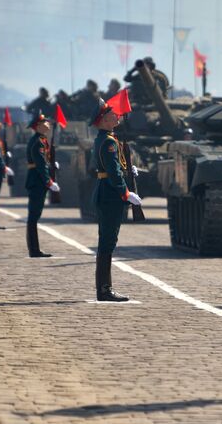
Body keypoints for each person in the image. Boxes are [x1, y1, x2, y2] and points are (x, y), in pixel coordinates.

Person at [90, 99, 142, 302]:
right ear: (103, 120)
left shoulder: (106, 139)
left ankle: (104, 289)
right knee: (107, 243)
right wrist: (125, 192)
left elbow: (115, 167)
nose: (117, 115)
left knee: (106, 242)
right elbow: (112, 172)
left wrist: (128, 170)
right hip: (111, 195)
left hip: (106, 194)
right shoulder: (109, 142)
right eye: (112, 114)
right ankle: (104, 290)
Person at [25, 113, 60, 258]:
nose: (48, 124)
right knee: (33, 217)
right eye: (45, 122)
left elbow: (43, 162)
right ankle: (34, 250)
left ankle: (34, 249)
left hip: (38, 181)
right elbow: (40, 165)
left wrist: (52, 164)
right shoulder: (38, 142)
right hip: (37, 182)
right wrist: (49, 182)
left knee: (34, 216)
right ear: (38, 126)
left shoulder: (41, 140)